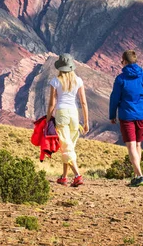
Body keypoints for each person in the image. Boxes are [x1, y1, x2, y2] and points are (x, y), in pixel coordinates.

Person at [109, 50, 143, 187]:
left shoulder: (120, 79)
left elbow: (114, 99)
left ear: (125, 61)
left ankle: (140, 176)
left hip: (126, 116)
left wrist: (112, 115)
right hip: (141, 115)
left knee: (130, 145)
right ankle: (136, 175)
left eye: (121, 61)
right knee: (138, 145)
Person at [46, 53, 89, 187]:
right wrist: (86, 121)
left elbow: (52, 104)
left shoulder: (55, 81)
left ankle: (77, 175)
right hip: (74, 115)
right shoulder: (78, 81)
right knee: (68, 146)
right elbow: (83, 103)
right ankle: (64, 177)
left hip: (62, 113)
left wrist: (48, 120)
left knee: (66, 146)